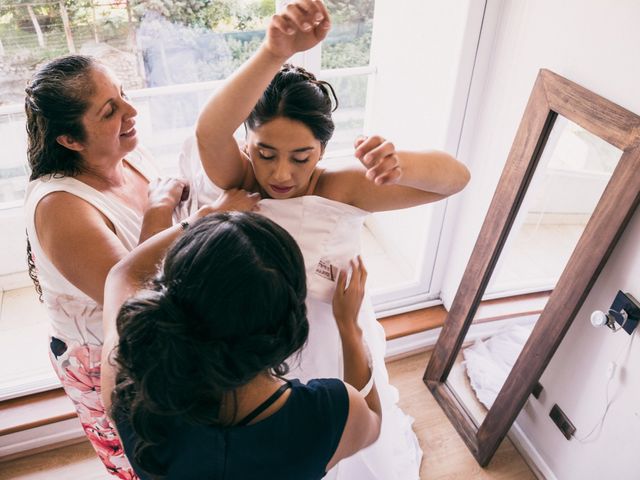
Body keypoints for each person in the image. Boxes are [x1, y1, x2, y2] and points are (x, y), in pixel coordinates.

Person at [186, 1, 471, 478]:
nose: (280, 173)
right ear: (247, 143)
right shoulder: (238, 179)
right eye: (266, 153)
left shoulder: (338, 186)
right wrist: (273, 52)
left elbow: (456, 178)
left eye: (300, 157)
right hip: (251, 344)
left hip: (330, 336)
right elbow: (209, 129)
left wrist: (404, 163)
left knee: (347, 440)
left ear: (322, 149)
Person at [23, 54, 259, 478]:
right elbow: (135, 297)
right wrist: (171, 214)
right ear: (70, 140)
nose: (131, 112)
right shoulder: (62, 208)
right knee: (147, 464)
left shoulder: (127, 151)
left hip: (164, 338)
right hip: (110, 358)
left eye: (123, 95)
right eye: (110, 110)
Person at [100, 211, 382, 479]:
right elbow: (372, 421)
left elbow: (120, 275)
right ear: (288, 321)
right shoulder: (327, 413)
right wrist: (349, 327)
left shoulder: (130, 388)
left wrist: (199, 219)